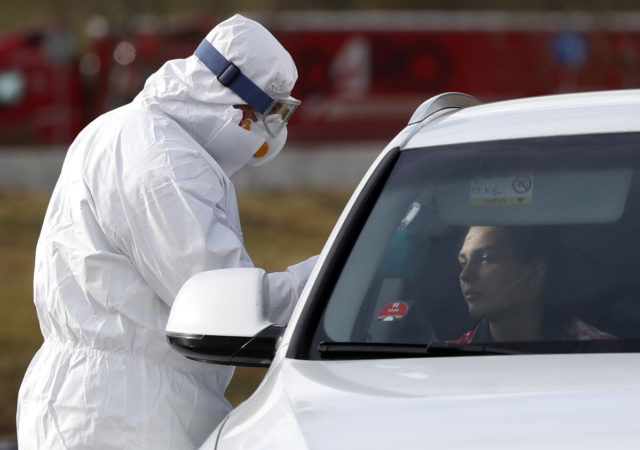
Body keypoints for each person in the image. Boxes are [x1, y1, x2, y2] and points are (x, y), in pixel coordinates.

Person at [17, 14, 318, 449]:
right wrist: (331, 275)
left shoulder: (129, 130)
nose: (265, 130)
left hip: (96, 402)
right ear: (230, 98)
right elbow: (226, 306)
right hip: (127, 414)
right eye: (266, 114)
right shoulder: (163, 159)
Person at [455, 225, 615, 343]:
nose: (465, 275)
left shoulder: (603, 355)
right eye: (463, 262)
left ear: (534, 273)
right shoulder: (450, 358)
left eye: (485, 258)